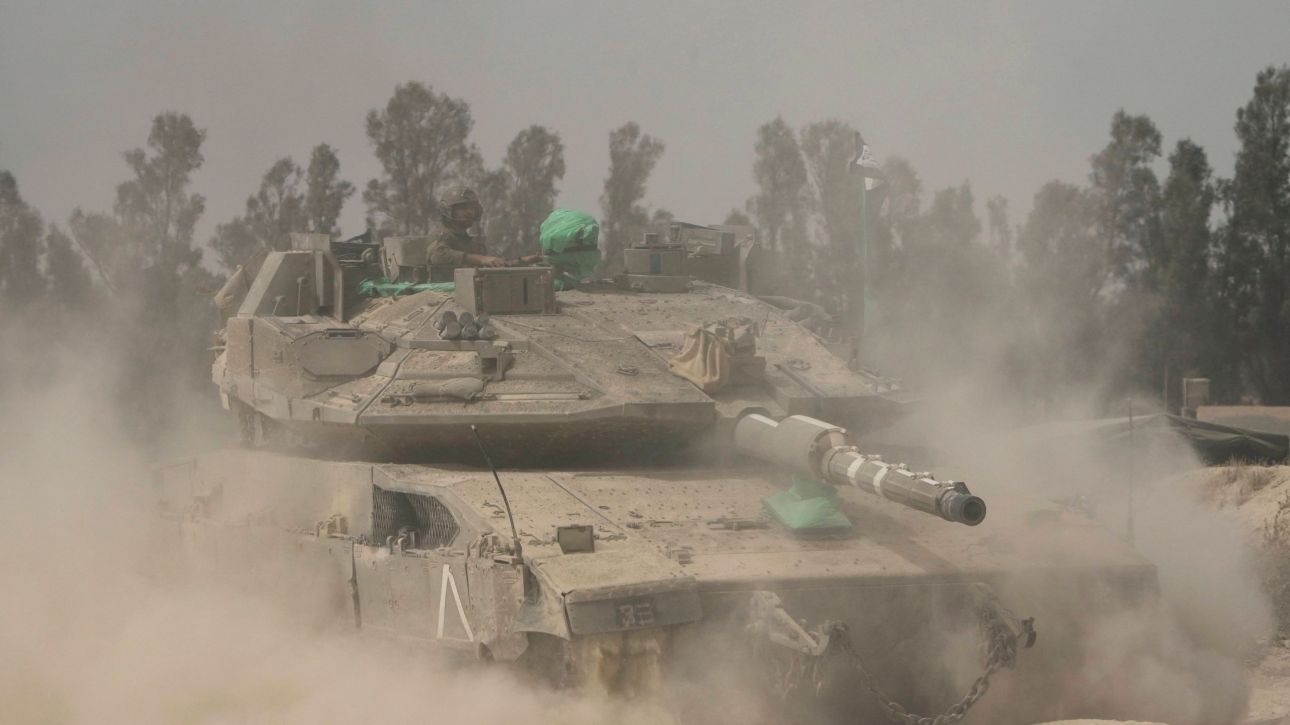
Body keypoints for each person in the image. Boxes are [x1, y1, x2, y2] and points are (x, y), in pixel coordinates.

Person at [426, 188, 508, 269]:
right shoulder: (440, 235)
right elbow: (438, 256)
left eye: (472, 208)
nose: (469, 212)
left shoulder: (469, 241)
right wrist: (481, 259)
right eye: (463, 208)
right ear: (448, 211)